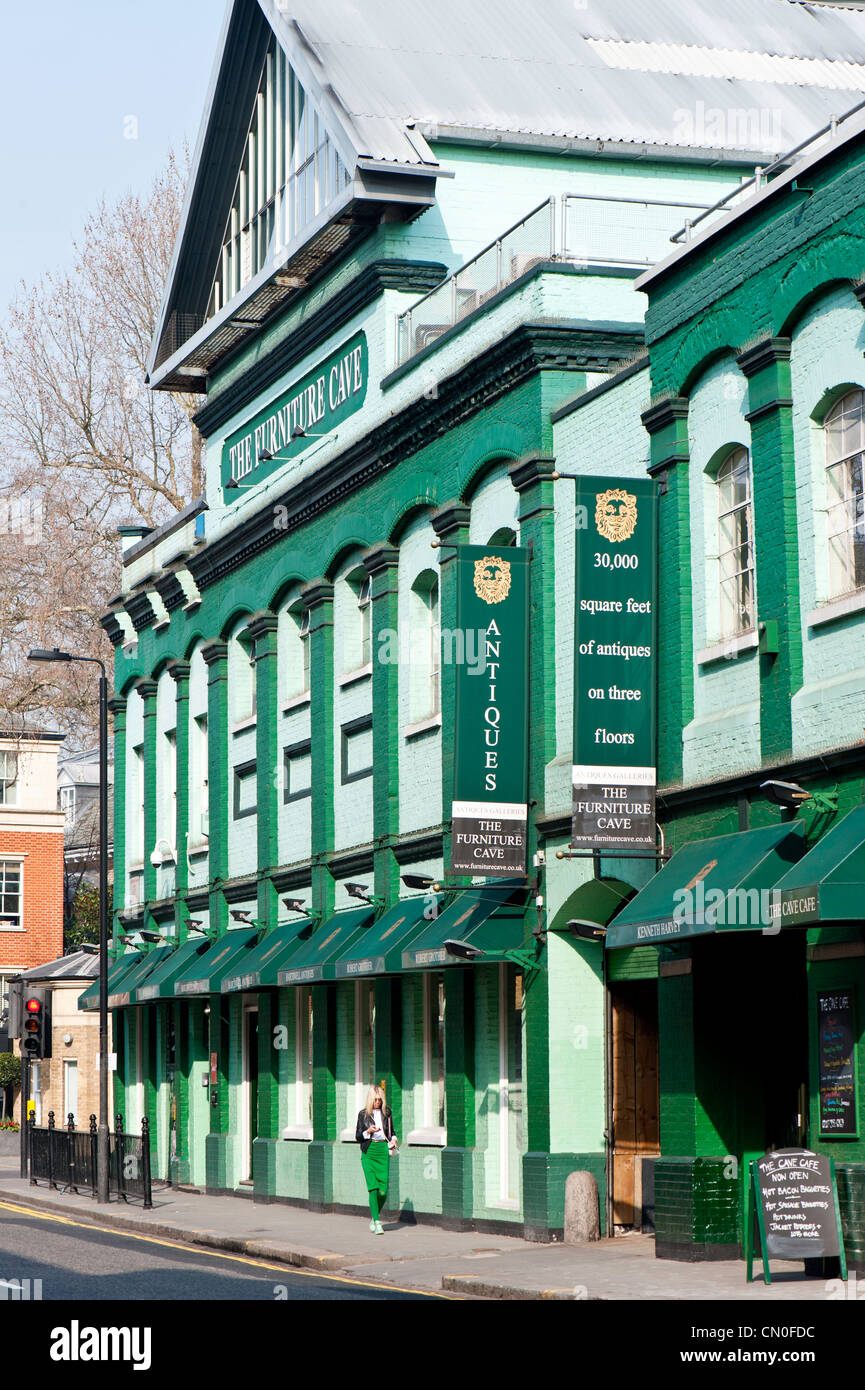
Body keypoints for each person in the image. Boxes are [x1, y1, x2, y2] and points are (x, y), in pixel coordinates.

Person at [356, 1084, 397, 1234]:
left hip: (382, 1151)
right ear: (370, 1100)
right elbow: (358, 1137)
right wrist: (368, 1131)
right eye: (375, 1100)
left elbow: (392, 1131)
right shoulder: (363, 1115)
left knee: (383, 1191)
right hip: (369, 1151)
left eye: (380, 1099)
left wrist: (393, 1139)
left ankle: (374, 1216)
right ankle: (378, 1222)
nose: (378, 1102)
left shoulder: (387, 1113)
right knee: (373, 1188)